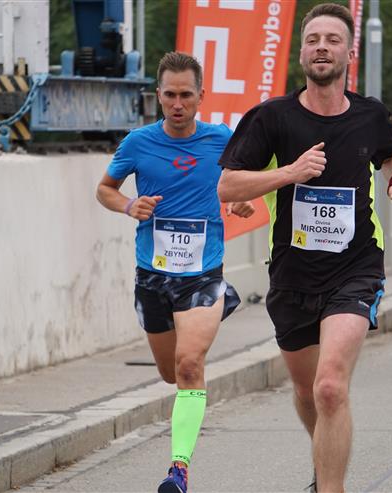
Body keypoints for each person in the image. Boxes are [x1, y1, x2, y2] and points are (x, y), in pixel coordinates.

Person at [217, 4, 392, 492]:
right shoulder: (271, 117)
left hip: (356, 269)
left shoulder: (370, 115)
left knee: (330, 387)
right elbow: (228, 186)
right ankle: (324, 456)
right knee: (308, 392)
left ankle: (331, 486)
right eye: (313, 40)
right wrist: (290, 173)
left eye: (332, 40)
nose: (321, 47)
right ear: (301, 53)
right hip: (292, 276)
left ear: (349, 53)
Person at [96, 51, 254, 493]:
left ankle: (178, 469)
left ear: (202, 95)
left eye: (186, 95)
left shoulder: (222, 139)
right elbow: (105, 190)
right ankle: (222, 303)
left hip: (203, 273)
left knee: (189, 365)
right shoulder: (138, 143)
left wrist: (240, 201)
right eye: (170, 95)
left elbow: (241, 185)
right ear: (158, 96)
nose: (178, 104)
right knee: (169, 372)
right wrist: (129, 204)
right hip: (153, 274)